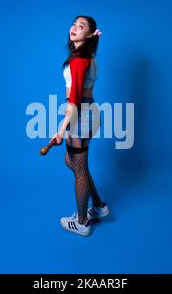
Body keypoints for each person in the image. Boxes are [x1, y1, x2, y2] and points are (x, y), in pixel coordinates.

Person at [50, 15, 110, 236]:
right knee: (76, 164)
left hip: (81, 115)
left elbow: (73, 101)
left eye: (81, 26)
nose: (74, 28)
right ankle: (99, 206)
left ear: (88, 35)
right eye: (73, 24)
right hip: (90, 111)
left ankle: (82, 221)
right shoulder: (89, 58)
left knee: (80, 168)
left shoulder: (78, 61)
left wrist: (61, 129)